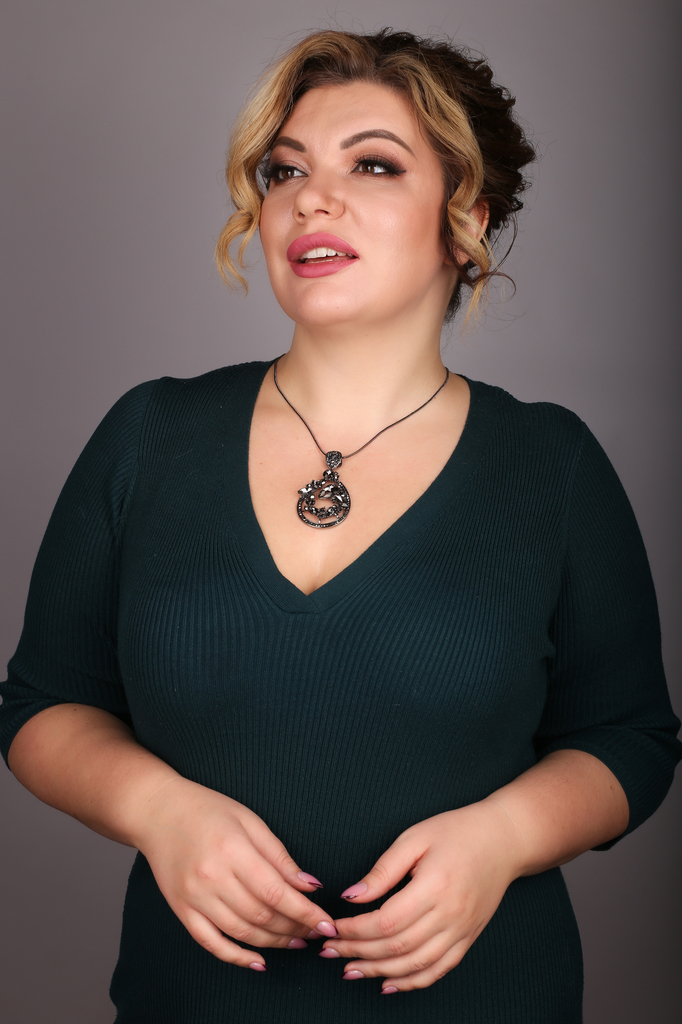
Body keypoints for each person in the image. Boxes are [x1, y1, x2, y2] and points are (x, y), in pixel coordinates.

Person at [1, 28, 680, 1024]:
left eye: (373, 165)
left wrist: (500, 839)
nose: (311, 199)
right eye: (285, 171)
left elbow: (630, 737)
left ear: (465, 219)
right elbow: (41, 704)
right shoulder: (150, 433)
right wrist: (158, 810)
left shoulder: (552, 463)